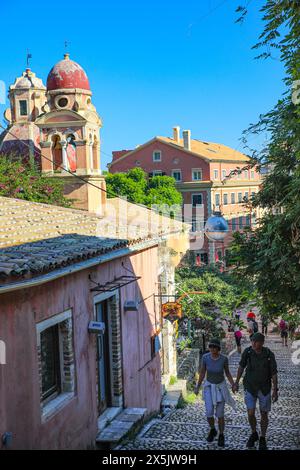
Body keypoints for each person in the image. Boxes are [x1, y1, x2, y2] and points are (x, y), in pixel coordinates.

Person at [234, 332, 278, 450]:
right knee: (250, 413)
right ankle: (254, 433)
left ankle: (263, 437)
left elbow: (274, 372)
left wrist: (275, 389)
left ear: (262, 343)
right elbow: (241, 367)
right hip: (250, 386)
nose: (253, 343)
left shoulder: (268, 354)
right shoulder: (248, 352)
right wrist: (236, 382)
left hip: (265, 388)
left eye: (256, 341)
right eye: (252, 341)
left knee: (264, 413)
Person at [194, 338, 236, 448]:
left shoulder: (223, 359)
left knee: (220, 414)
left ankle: (221, 434)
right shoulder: (205, 358)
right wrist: (197, 386)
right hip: (208, 387)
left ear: (218, 348)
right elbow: (202, 372)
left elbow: (227, 373)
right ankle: (213, 429)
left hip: (220, 388)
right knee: (209, 412)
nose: (212, 349)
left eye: (214, 347)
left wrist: (233, 384)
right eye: (210, 347)